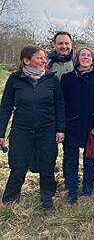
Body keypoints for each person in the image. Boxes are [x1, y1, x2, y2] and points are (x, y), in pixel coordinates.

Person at [0, 45, 65, 214]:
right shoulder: (15, 79)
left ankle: (47, 201)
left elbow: (60, 105)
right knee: (18, 166)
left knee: (47, 166)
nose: (44, 60)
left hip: (47, 130)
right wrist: (1, 133)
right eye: (39, 57)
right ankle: (10, 202)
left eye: (44, 57)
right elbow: (5, 107)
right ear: (26, 60)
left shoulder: (52, 79)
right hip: (21, 130)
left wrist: (60, 129)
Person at [61, 47, 94, 204]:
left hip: (91, 126)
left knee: (89, 160)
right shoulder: (67, 79)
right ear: (77, 59)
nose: (85, 57)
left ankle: (87, 190)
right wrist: (62, 125)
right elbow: (62, 104)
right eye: (82, 55)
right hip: (72, 125)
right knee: (71, 160)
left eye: (88, 55)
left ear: (93, 59)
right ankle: (72, 190)